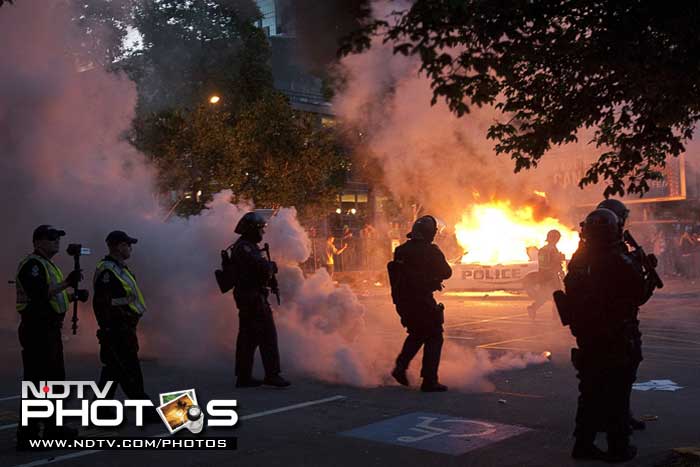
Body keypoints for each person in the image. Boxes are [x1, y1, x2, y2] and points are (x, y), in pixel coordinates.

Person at [563, 208, 652, 462]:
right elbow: (638, 295)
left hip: (588, 336)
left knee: (590, 393)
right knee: (617, 395)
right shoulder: (617, 259)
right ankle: (618, 447)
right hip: (615, 336)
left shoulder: (578, 259)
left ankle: (583, 444)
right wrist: (644, 269)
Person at [15, 225, 82, 448]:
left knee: (53, 381)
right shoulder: (33, 265)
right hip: (37, 330)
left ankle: (54, 427)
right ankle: (28, 434)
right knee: (37, 383)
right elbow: (38, 295)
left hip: (49, 330)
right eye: (51, 238)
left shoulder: (46, 264)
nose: (56, 241)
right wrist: (67, 283)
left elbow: (53, 299)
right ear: (37, 242)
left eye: (58, 238)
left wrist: (72, 296)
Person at [92, 230, 159, 422]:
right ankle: (144, 410)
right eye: (128, 244)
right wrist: (107, 329)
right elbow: (102, 303)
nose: (130, 248)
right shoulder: (107, 271)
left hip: (125, 326)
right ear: (118, 246)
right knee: (130, 370)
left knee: (113, 369)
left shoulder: (120, 268)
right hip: (117, 328)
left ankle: (101, 409)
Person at [388, 216, 452, 392]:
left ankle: (401, 366)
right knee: (434, 335)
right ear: (430, 233)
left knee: (417, 333)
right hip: (422, 300)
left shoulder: (400, 250)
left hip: (402, 301)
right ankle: (429, 380)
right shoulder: (431, 251)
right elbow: (447, 272)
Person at [230, 212, 290, 388]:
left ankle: (244, 376)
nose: (262, 233)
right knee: (267, 335)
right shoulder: (245, 248)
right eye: (260, 229)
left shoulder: (245, 246)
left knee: (248, 339)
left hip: (249, 296)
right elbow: (260, 268)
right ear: (251, 230)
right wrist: (271, 267)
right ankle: (272, 374)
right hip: (252, 297)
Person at [526, 229, 565, 320]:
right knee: (554, 296)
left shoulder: (554, 249)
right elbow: (543, 265)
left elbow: (556, 263)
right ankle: (554, 317)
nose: (557, 240)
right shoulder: (544, 250)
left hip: (553, 276)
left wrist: (560, 268)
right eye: (556, 238)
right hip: (547, 277)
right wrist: (556, 260)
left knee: (545, 296)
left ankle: (533, 308)